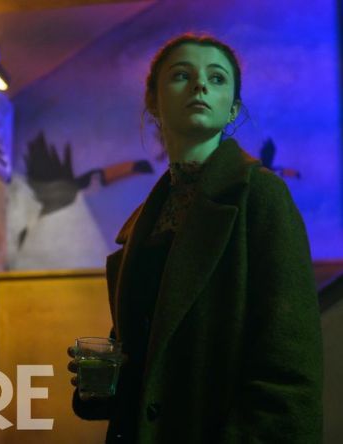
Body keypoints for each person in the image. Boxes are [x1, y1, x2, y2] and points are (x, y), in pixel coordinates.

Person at [67, 32, 323, 443]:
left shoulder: (260, 194)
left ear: (233, 107)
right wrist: (106, 381)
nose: (200, 85)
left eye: (217, 78)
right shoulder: (144, 221)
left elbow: (289, 370)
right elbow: (153, 359)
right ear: (153, 101)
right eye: (181, 75)